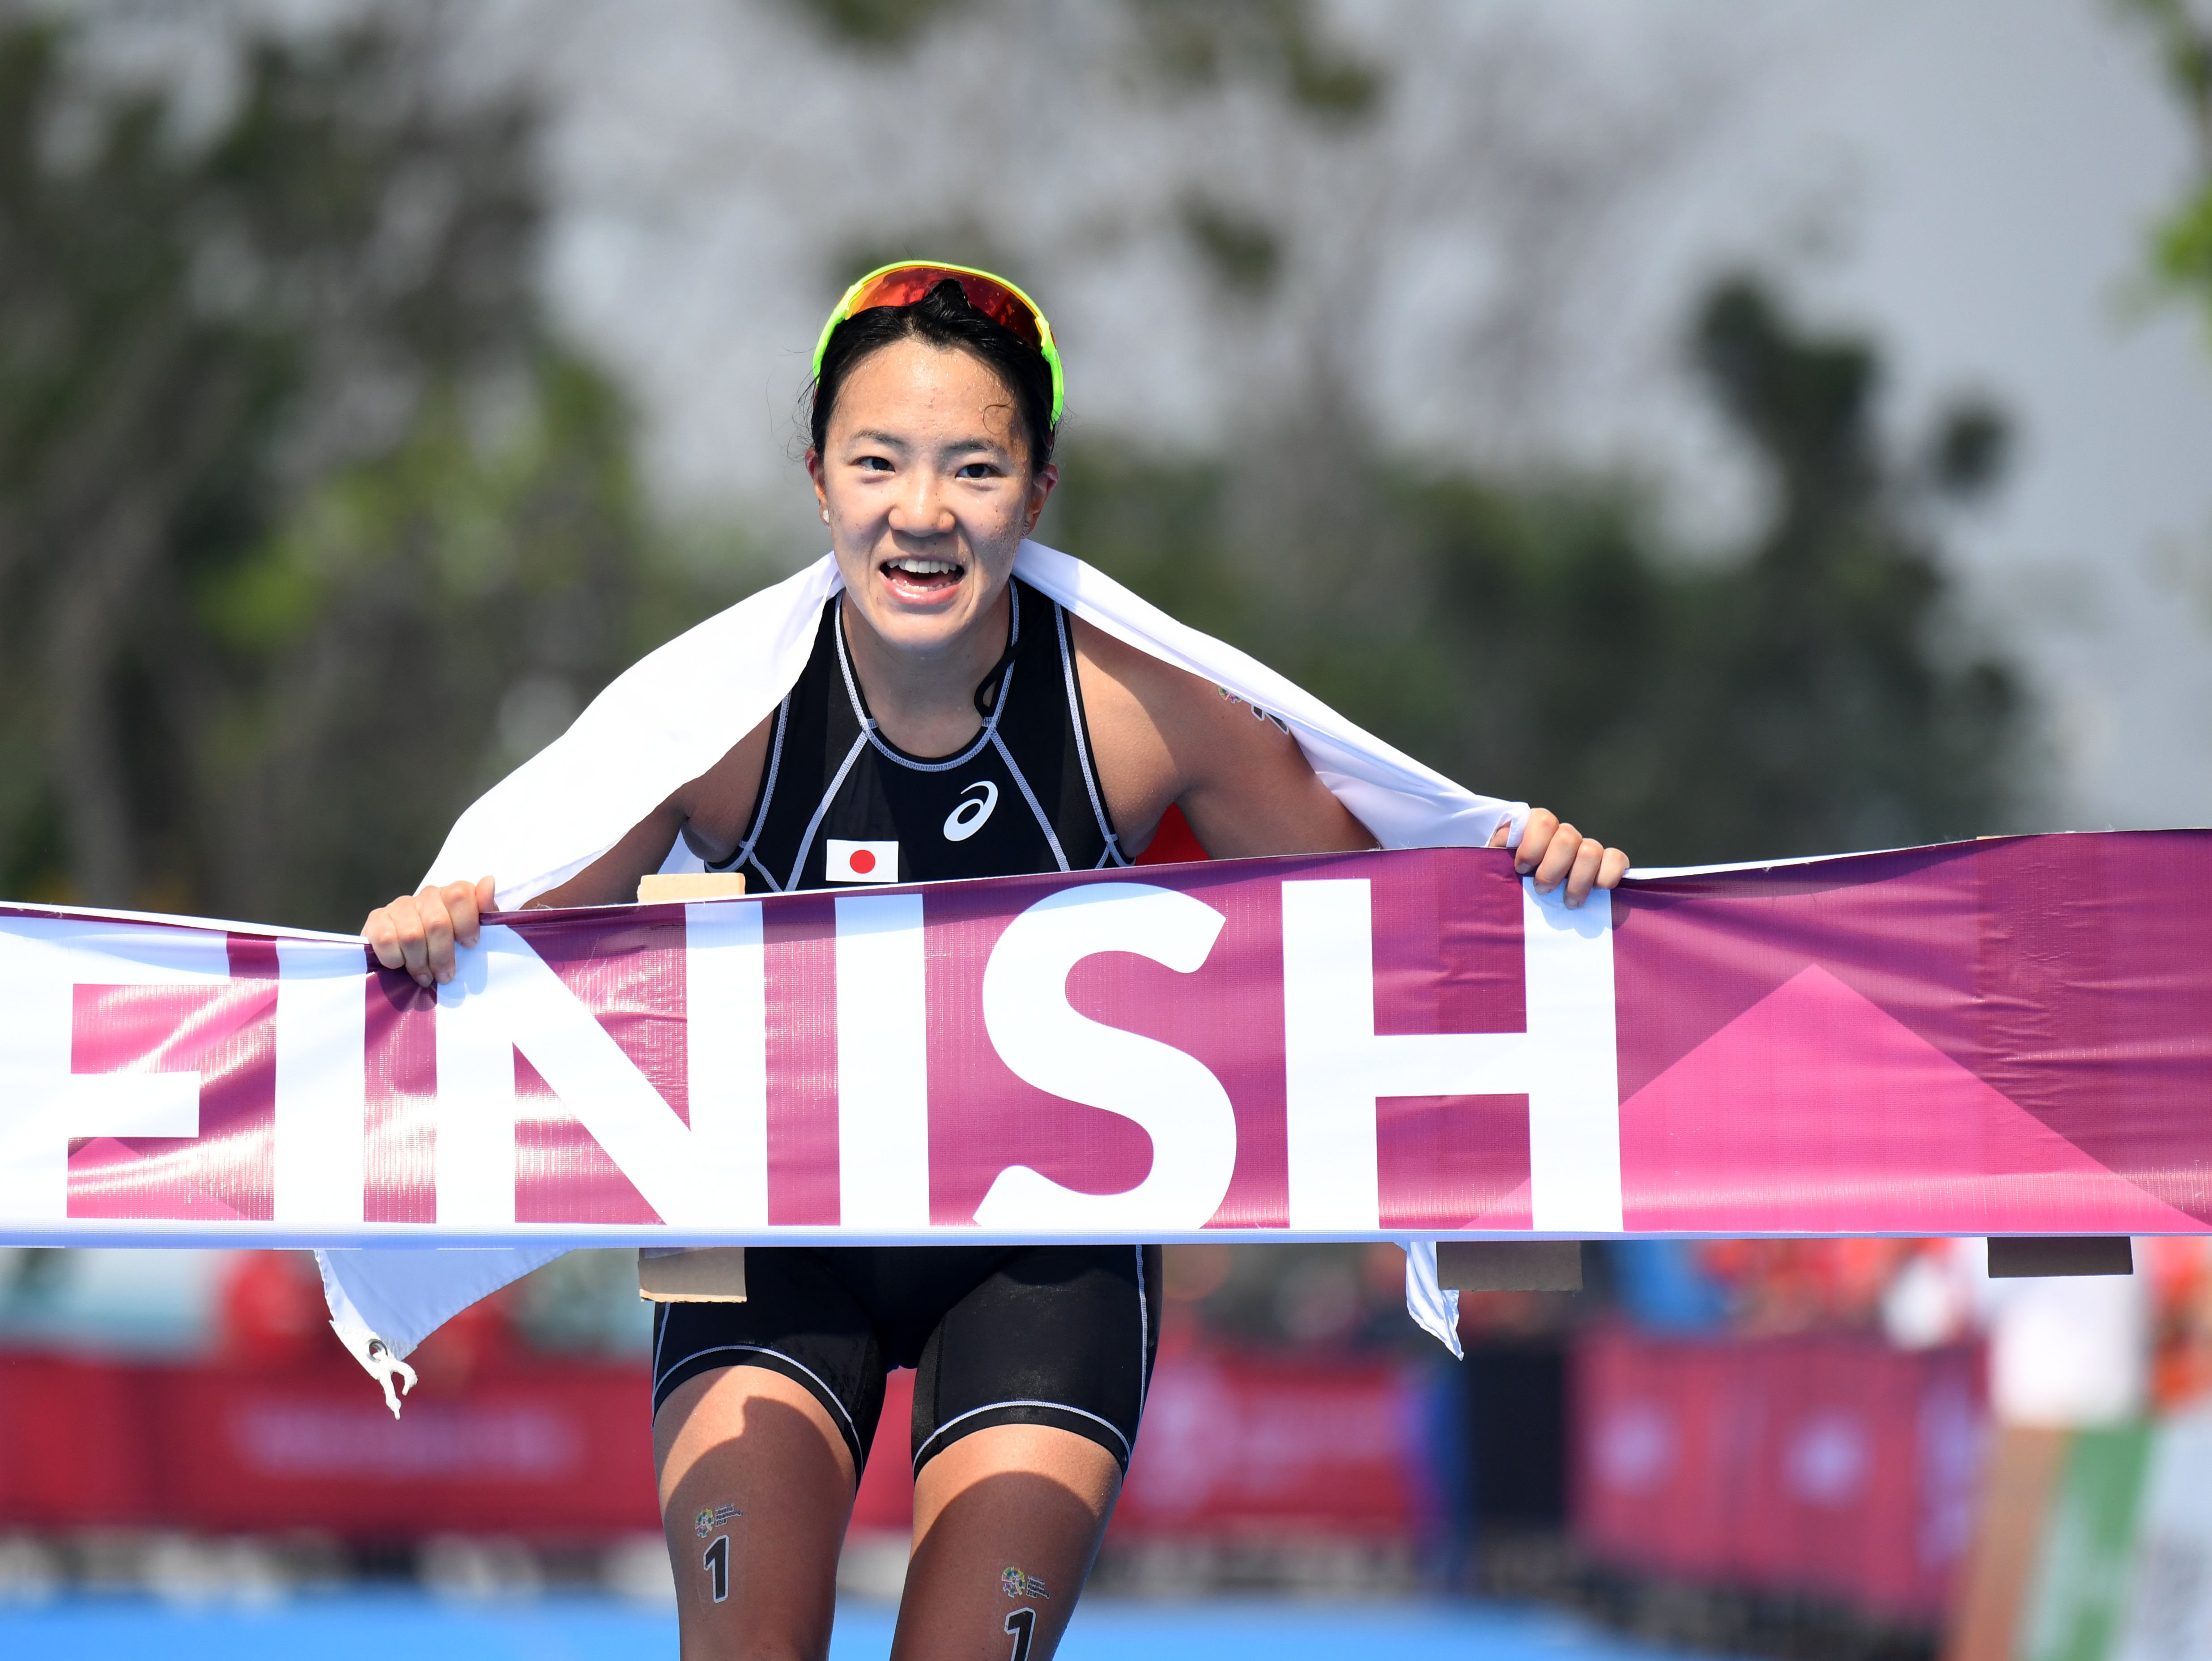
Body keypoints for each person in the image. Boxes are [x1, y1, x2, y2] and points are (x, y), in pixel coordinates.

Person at [365, 262, 1627, 1661]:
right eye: (878, 463)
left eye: (974, 467)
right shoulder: (716, 722)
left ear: (1037, 493)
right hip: (765, 1238)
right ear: (818, 483)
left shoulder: (1140, 710)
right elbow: (522, 957)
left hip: (1046, 1251)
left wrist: (1533, 891)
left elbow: (1402, 927)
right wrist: (437, 934)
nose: (921, 513)